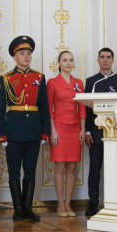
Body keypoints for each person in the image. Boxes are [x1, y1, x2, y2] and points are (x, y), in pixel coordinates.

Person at [0, 35, 51, 223]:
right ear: (15, 57)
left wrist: (45, 132)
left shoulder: (39, 77)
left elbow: (44, 106)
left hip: (34, 130)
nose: (26, 56)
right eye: (22, 53)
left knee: (30, 170)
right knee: (14, 172)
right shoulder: (6, 79)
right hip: (13, 130)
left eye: (28, 53)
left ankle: (28, 208)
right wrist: (1, 134)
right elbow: (0, 109)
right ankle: (17, 209)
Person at [83, 48, 117, 217]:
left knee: (116, 170)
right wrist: (86, 132)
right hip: (96, 133)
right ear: (98, 60)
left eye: (108, 57)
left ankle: (115, 203)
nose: (105, 60)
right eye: (102, 57)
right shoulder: (91, 81)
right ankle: (93, 203)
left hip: (116, 134)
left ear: (113, 60)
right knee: (94, 170)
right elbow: (86, 108)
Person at [47, 50, 85, 217]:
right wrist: (52, 129)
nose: (68, 63)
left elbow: (82, 107)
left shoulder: (79, 83)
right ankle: (60, 203)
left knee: (72, 167)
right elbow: (49, 108)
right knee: (60, 166)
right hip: (59, 127)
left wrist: (83, 128)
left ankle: (68, 203)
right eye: (65, 60)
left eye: (71, 60)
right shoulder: (52, 82)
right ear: (59, 63)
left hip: (75, 127)